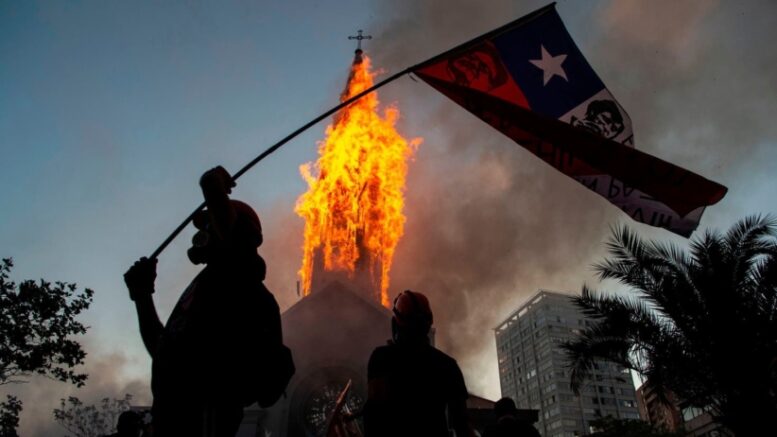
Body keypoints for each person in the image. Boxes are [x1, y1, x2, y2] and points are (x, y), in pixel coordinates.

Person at [124, 166, 282, 437]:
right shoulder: (204, 287)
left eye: (211, 224)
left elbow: (233, 239)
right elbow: (164, 352)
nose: (204, 232)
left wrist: (211, 184)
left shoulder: (240, 278)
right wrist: (142, 296)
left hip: (205, 420)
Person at [363, 290, 474, 437]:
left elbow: (374, 415)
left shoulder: (382, 358)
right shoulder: (447, 365)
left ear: (397, 323)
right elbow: (462, 426)